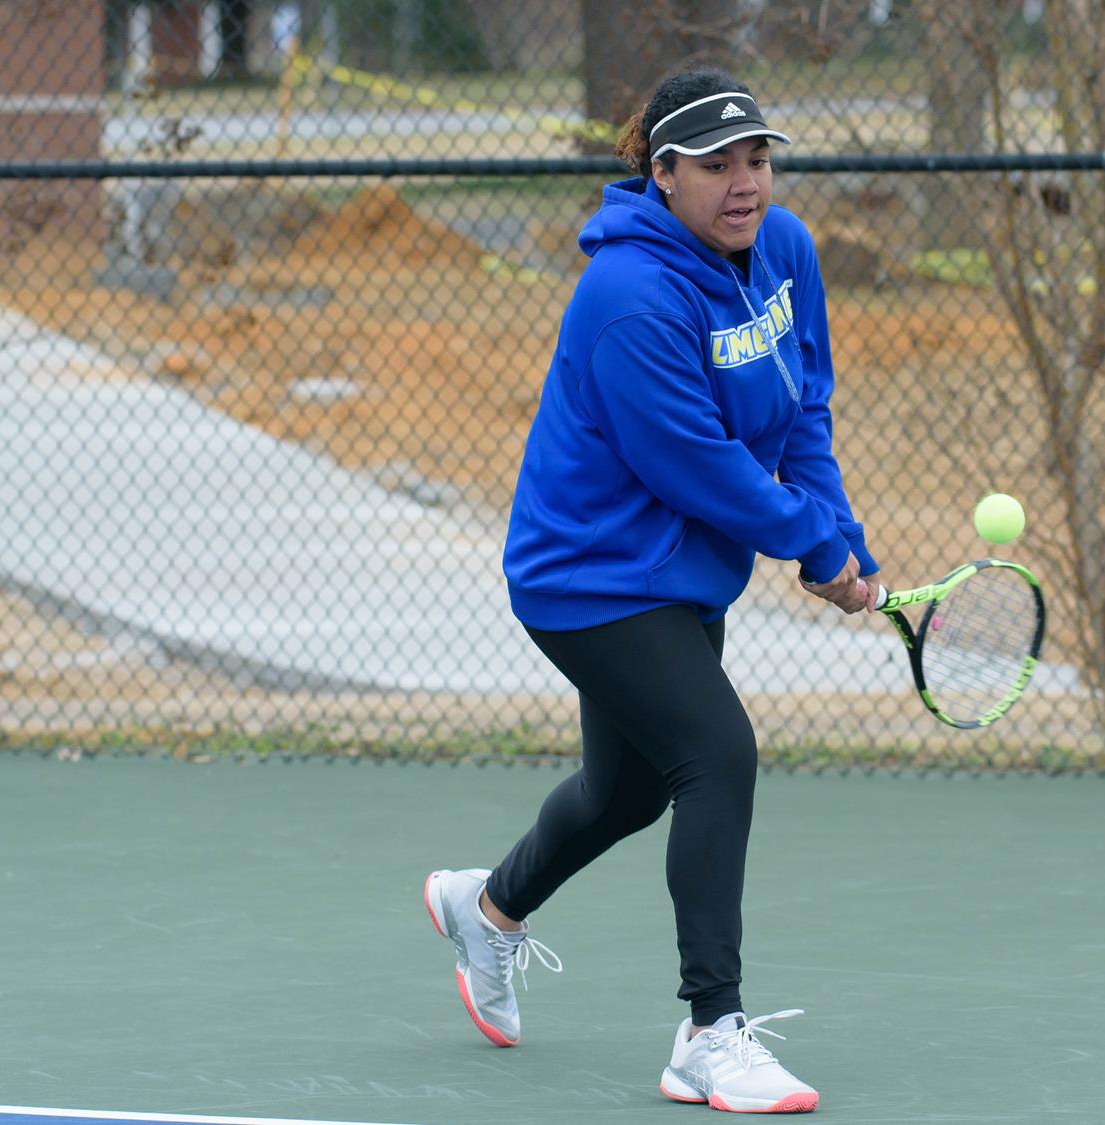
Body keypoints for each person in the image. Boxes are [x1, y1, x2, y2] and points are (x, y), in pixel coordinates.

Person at [421, 69, 879, 1115]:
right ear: (661, 173)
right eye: (715, 164)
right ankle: (708, 1034)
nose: (743, 182)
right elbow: (695, 465)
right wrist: (810, 549)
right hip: (586, 578)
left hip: (685, 576)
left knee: (627, 788)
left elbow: (803, 408)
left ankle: (480, 910)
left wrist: (836, 533)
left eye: (756, 158)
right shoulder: (626, 298)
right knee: (715, 753)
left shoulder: (786, 254)